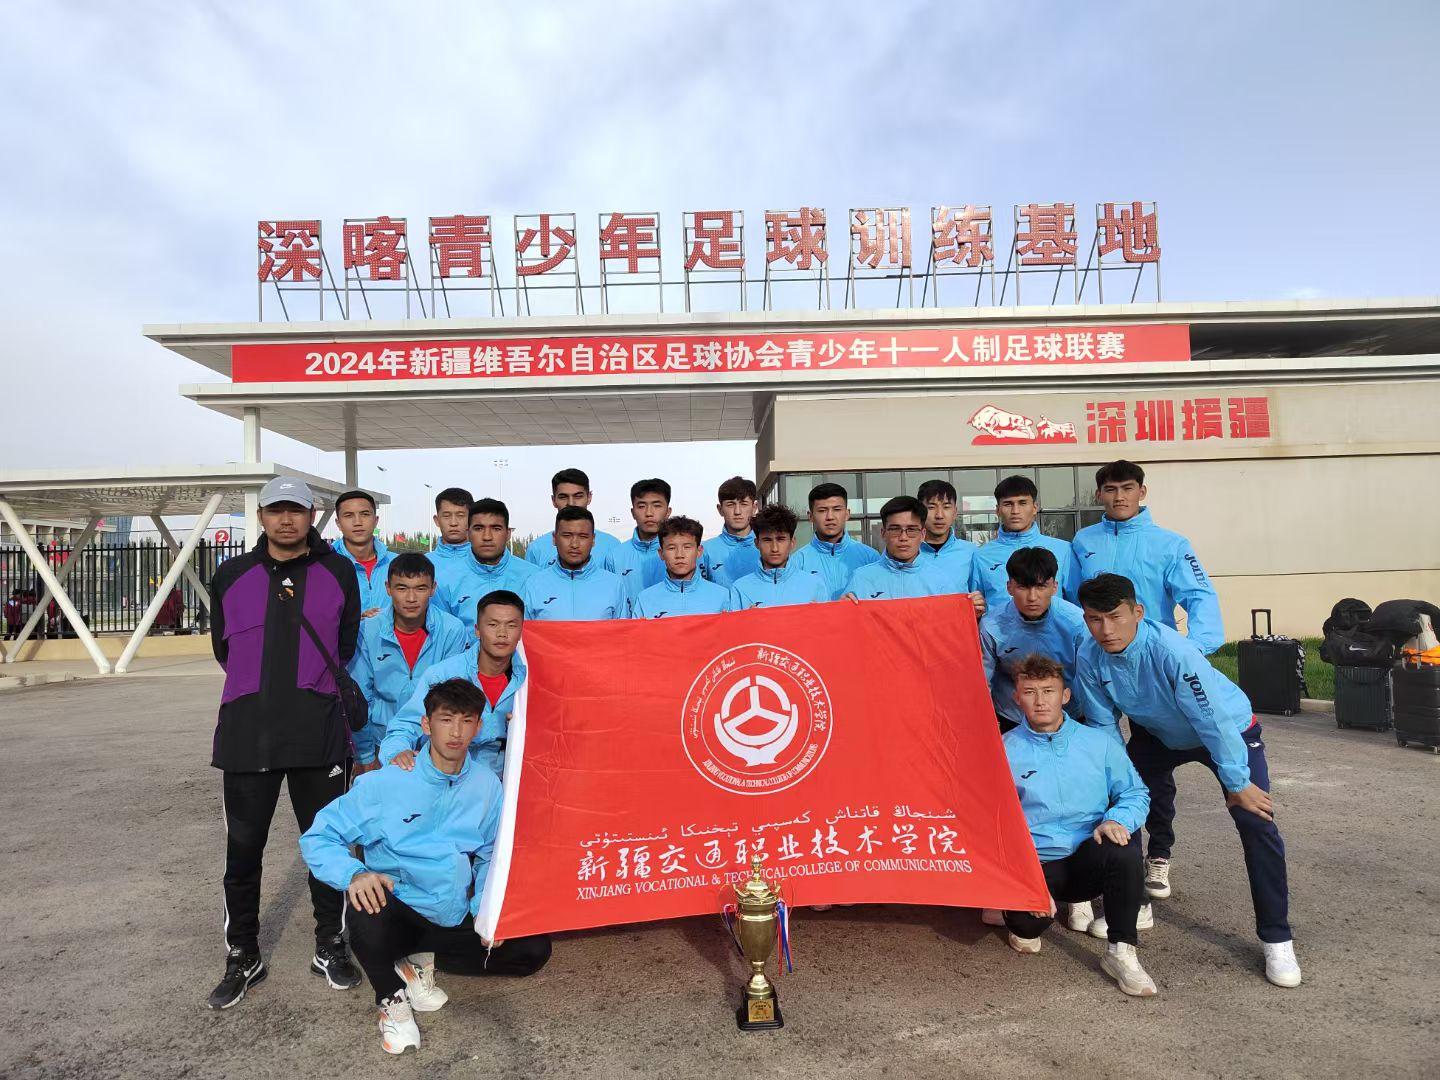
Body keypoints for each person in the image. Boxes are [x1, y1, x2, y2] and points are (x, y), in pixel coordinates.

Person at [1073, 573, 1301, 988]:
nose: (1105, 629)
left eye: (1115, 617)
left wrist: (1237, 783)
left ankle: (1277, 938)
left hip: (1226, 732)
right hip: (1159, 736)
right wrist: (1118, 782)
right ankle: (1135, 903)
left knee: (1255, 821)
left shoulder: (1173, 652)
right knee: (1122, 808)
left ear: (1137, 612)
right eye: (1094, 619)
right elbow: (1105, 725)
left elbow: (1211, 720)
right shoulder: (1090, 655)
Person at [300, 678, 551, 1055]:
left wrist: (487, 911)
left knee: (534, 950)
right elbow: (319, 836)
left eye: (466, 721)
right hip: (399, 912)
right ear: (426, 724)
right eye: (446, 719)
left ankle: (419, 962)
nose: (456, 732)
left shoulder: (487, 785)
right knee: (366, 905)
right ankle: (391, 999)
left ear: (478, 727)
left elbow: (490, 853)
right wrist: (353, 873)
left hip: (449, 914)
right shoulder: (387, 783)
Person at [206, 476, 363, 1010]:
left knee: (327, 845)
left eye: (296, 510)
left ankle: (330, 945)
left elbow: (345, 644)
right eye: (276, 510)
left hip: (318, 734)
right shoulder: (230, 575)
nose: (286, 519)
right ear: (262, 517)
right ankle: (243, 954)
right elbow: (225, 649)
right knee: (243, 852)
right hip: (247, 736)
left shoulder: (338, 572)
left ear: (311, 514)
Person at [999, 655, 1157, 997]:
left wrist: (1117, 819)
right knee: (1027, 932)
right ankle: (1023, 914)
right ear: (1017, 698)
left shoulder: (1099, 743)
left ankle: (1121, 952)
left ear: (1065, 696)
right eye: (1030, 692)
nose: (1040, 701)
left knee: (1123, 845)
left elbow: (1135, 793)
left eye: (1049, 691)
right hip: (1037, 864)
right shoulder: (1002, 751)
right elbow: (992, 820)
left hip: (1088, 857)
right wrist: (1021, 878)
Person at [1072, 461, 1223, 654]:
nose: (1119, 497)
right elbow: (1072, 598)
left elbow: (1199, 596)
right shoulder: (1083, 540)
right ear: (1098, 494)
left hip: (1154, 652)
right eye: (1111, 489)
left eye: (1127, 488)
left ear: (1142, 492)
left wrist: (1197, 647)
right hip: (1098, 651)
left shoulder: (1171, 544)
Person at [380, 590, 526, 777]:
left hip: (505, 781)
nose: (502, 634)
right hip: (444, 777)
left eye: (511, 625)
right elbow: (405, 725)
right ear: (477, 630)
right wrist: (397, 752)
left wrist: (518, 728)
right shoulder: (443, 674)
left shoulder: (530, 682)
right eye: (493, 624)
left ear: (521, 631)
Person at [350, 552, 471, 774]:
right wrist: (365, 754)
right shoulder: (368, 630)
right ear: (388, 588)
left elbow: (453, 696)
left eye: (420, 588)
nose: (411, 598)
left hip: (434, 746)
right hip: (380, 743)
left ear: (433, 588)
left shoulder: (451, 630)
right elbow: (359, 696)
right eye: (402, 588)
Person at [980, 548, 1088, 731]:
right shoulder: (991, 625)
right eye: (1023, 587)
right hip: (1013, 715)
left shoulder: (1076, 622)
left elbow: (1091, 678)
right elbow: (983, 682)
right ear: (1009, 587)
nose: (1032, 597)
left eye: (1041, 586)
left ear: (1054, 586)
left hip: (1069, 713)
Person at [844, 496, 987, 613]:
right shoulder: (861, 579)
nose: (903, 537)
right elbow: (848, 628)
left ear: (923, 534)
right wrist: (842, 610)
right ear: (883, 533)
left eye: (911, 530)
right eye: (895, 529)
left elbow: (953, 627)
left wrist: (970, 611)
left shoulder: (942, 581)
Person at [971, 475, 1083, 608]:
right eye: (1008, 504)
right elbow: (975, 606)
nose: (1015, 511)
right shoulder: (982, 555)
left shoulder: (1063, 550)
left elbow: (1078, 604)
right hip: (998, 622)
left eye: (1022, 503)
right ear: (998, 510)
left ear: (1035, 507)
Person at [435, 498, 537, 634]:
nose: (487, 537)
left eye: (496, 529)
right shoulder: (445, 581)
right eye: (478, 528)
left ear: (508, 534)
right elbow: (441, 634)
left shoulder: (533, 577)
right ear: (468, 533)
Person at [521, 507, 629, 621]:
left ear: (593, 539)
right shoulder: (533, 585)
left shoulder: (614, 585)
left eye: (583, 536)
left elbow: (624, 630)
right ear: (554, 538)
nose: (574, 544)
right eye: (567, 536)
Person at [727, 504, 830, 610]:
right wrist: (746, 619)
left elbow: (827, 621)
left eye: (781, 539)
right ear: (757, 543)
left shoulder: (815, 585)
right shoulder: (740, 589)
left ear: (792, 542)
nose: (774, 548)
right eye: (767, 540)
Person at [790, 481, 881, 600]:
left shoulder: (870, 558)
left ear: (847, 514)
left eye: (837, 509)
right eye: (822, 510)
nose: (830, 517)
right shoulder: (796, 563)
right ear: (810, 516)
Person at [633, 516, 732, 618]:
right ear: (661, 553)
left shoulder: (722, 596)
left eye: (687, 547)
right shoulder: (644, 599)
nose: (679, 555)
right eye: (671, 548)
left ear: (699, 551)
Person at [523, 468, 622, 569]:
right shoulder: (537, 549)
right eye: (563, 497)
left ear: (589, 497)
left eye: (578, 496)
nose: (571, 503)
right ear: (553, 500)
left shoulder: (612, 546)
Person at [606, 478, 671, 603]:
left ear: (668, 511)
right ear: (633, 512)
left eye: (657, 506)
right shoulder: (615, 557)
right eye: (641, 506)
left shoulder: (683, 553)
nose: (649, 513)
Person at [331, 489, 394, 618]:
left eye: (365, 514)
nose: (358, 522)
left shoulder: (396, 564)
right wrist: (354, 621)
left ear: (375, 520)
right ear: (338, 523)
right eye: (348, 515)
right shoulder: (324, 566)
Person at [915, 479, 979, 592]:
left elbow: (979, 593)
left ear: (955, 512)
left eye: (946, 507)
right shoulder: (907, 552)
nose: (939, 515)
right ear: (920, 512)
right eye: (931, 507)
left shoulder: (971, 552)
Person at [697, 476, 762, 589]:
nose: (737, 511)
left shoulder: (767, 547)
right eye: (730, 504)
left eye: (744, 504)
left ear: (754, 508)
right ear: (720, 509)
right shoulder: (705, 551)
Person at [427, 487, 475, 597]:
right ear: (437, 520)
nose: (453, 523)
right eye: (446, 516)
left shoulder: (484, 563)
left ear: (472, 519)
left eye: (460, 515)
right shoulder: (423, 564)